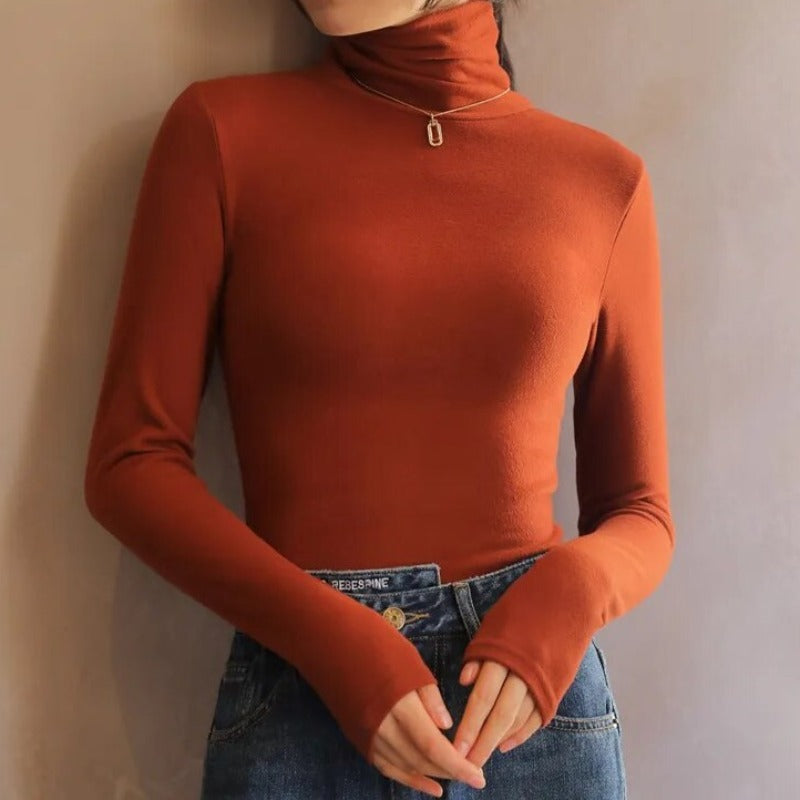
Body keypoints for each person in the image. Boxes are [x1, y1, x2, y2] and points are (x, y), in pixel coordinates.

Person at [83, 0, 675, 797]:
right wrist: (332, 641)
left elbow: (641, 512)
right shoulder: (221, 133)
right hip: (301, 697)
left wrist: (565, 600)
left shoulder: (603, 181)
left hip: (530, 709)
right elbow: (130, 465)